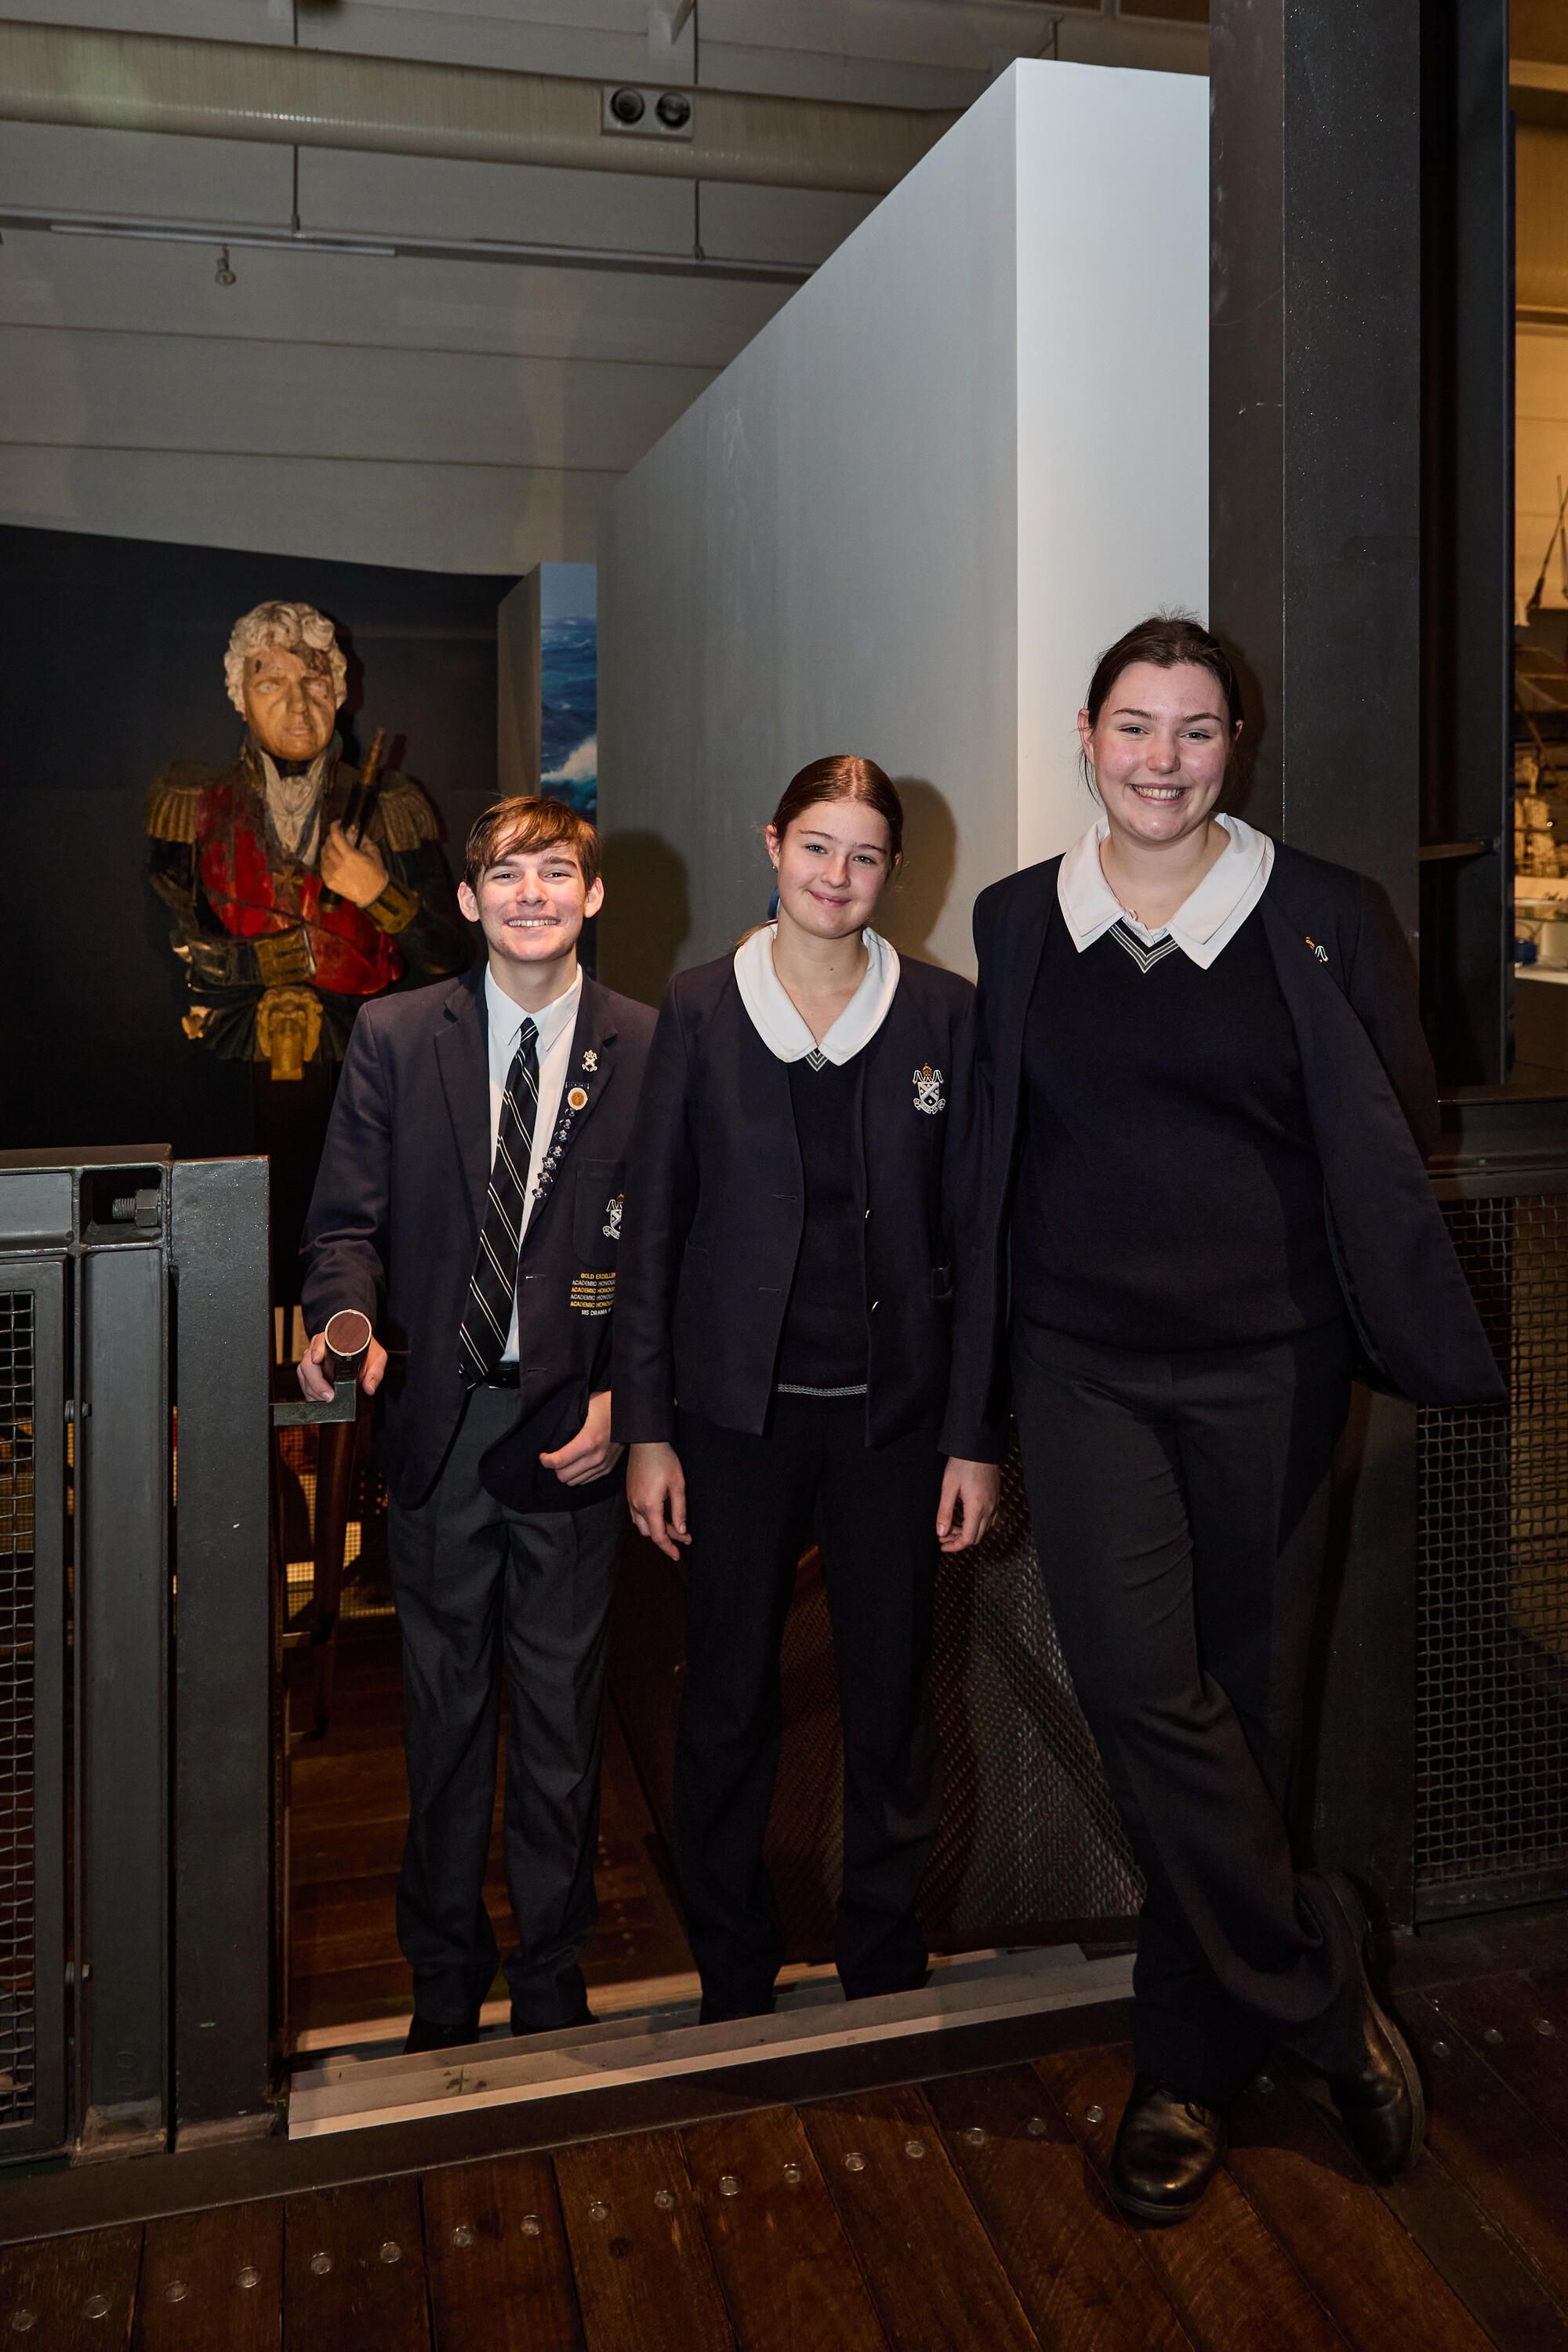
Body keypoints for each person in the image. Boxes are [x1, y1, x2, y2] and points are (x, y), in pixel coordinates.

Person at [960, 614, 1503, 2225]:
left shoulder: (1324, 915)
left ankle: (1186, 2066)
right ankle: (1323, 2001)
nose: (1164, 761)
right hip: (1083, 1370)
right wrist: (967, 1415)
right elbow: (988, 1171)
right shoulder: (1013, 924)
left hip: (1273, 1372)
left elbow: (1390, 1136)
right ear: (1085, 732)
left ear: (1232, 748)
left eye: (1196, 732)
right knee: (1137, 1689)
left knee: (1249, 1719)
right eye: (1137, 727)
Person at [613, 756, 1000, 2025]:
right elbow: (655, 1236)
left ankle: (883, 1955)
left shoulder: (945, 1015)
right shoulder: (699, 1010)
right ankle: (732, 1957)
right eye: (817, 848)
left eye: (867, 856)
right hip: (734, 1420)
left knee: (890, 1697)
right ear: (773, 844)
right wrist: (652, 1428)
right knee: (727, 1694)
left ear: (895, 872)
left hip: (892, 1419)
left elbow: (977, 1237)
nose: (839, 878)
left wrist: (970, 1437)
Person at [299, 795, 655, 2052]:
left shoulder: (648, 1046)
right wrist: (345, 1323)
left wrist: (627, 1399)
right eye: (506, 875)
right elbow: (343, 1224)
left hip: (577, 1438)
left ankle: (554, 1973)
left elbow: (666, 1255)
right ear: (468, 900)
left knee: (562, 1730)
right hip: (439, 1437)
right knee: (443, 1728)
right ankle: (442, 1977)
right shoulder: (397, 1036)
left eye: (556, 873)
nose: (531, 895)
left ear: (592, 896)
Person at [145, 598, 468, 1301]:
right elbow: (176, 942)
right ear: (240, 697)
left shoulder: (392, 804)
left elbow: (448, 950)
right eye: (271, 685)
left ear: (340, 693)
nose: (297, 707)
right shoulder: (192, 805)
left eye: (315, 685)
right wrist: (259, 965)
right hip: (226, 1084)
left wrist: (378, 890)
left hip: (363, 1066)